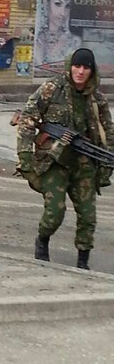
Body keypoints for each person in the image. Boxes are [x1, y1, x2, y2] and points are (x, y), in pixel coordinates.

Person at [16, 48, 114, 270]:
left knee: (88, 217)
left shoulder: (96, 97)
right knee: (55, 212)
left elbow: (108, 130)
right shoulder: (53, 88)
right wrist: (25, 155)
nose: (80, 72)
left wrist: (107, 165)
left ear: (92, 70)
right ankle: (42, 241)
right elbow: (28, 117)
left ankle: (83, 261)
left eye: (86, 67)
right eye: (77, 66)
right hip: (54, 160)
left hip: (84, 163)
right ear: (70, 66)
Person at [34, 0, 81, 69]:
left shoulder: (74, 42)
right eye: (58, 4)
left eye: (67, 6)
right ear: (46, 3)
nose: (63, 13)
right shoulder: (36, 39)